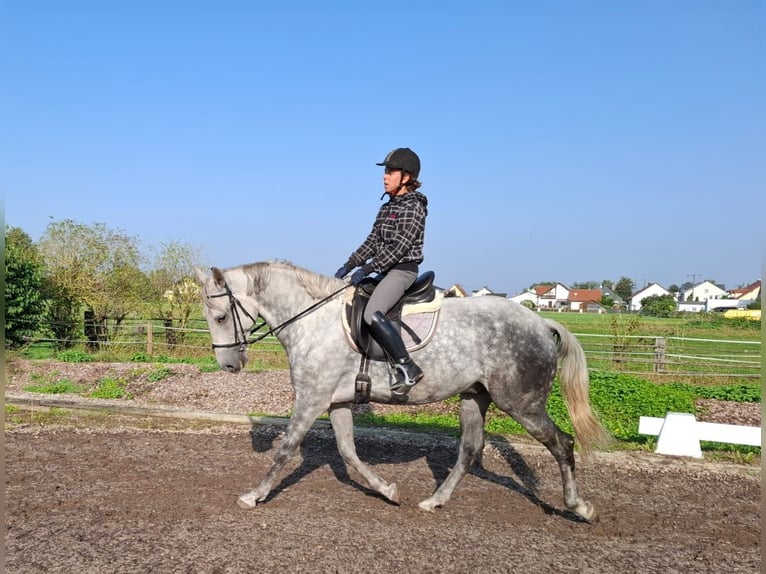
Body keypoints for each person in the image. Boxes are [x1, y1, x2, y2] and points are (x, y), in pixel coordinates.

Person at [335, 147, 428, 392]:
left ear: (406, 177)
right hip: (386, 270)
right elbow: (373, 241)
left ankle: (407, 366)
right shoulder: (388, 207)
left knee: (372, 312)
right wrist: (350, 263)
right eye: (385, 171)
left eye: (390, 171)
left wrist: (368, 269)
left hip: (402, 271)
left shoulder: (414, 207)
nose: (384, 176)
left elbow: (399, 248)